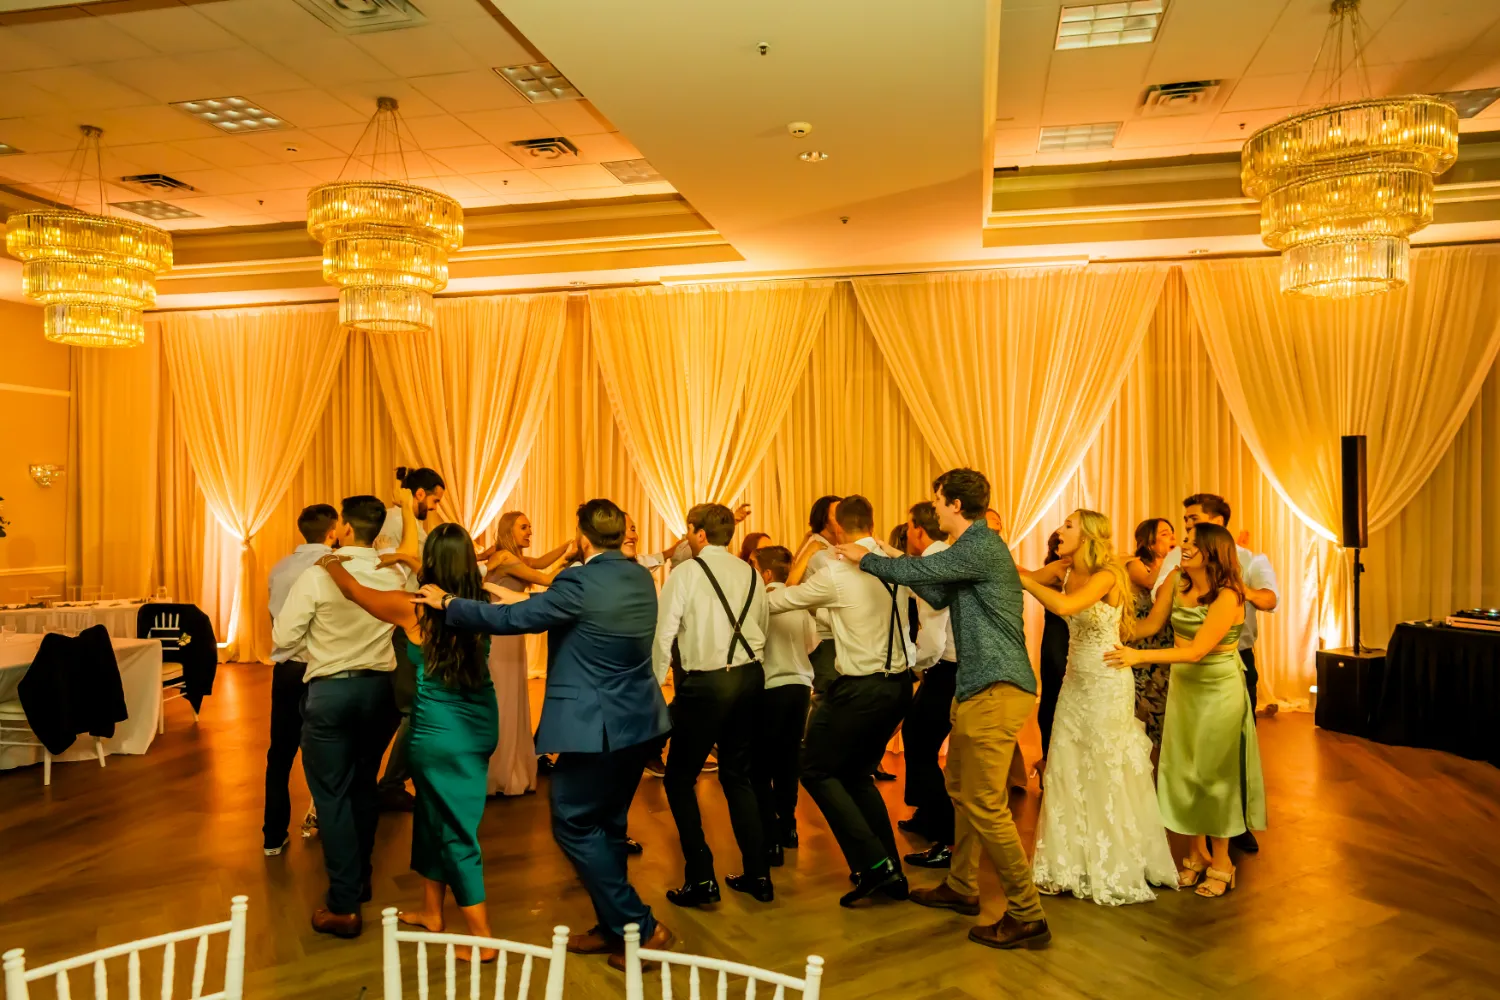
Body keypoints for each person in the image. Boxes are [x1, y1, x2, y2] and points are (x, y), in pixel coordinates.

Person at [414, 499, 674, 969]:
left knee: (572, 820)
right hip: (640, 722)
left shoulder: (579, 580)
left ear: (582, 536)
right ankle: (617, 929)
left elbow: (514, 620)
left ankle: (643, 928)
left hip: (596, 727)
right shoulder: (637, 575)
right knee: (609, 826)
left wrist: (448, 603)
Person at [840, 469, 1049, 951]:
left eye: (937, 501)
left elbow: (918, 576)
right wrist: (889, 558)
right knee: (960, 788)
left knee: (985, 803)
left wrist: (868, 557)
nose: (932, 508)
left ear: (955, 504)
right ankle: (961, 886)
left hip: (997, 687)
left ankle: (1027, 912)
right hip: (977, 686)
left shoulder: (980, 545)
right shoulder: (966, 551)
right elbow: (932, 589)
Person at [317, 515, 500, 950]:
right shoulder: (481, 603)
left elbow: (355, 592)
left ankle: (484, 939)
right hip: (478, 723)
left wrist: (330, 562)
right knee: (433, 816)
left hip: (440, 733)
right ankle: (433, 913)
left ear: (432, 564)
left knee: (454, 828)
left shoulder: (413, 607)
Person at [1021, 510, 1176, 905]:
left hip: (1108, 683)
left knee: (1106, 767)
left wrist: (1134, 650)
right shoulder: (1063, 569)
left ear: (1089, 535)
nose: (1060, 530)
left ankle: (1112, 862)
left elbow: (1066, 607)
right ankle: (1069, 862)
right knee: (1068, 765)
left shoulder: (1108, 574)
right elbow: (1019, 574)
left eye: (1069, 526)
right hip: (1074, 684)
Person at [1107, 523, 1268, 900]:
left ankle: (1223, 862)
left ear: (1214, 552)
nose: (1184, 545)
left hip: (1218, 689)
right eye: (1185, 540)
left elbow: (1197, 651)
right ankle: (1196, 854)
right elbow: (1151, 624)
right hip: (1185, 687)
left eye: (1194, 543)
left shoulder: (1228, 595)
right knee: (1185, 768)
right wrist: (1108, 632)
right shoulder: (1177, 582)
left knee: (1215, 774)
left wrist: (1138, 657)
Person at [272, 495, 407, 938]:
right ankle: (361, 879)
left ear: (344, 528)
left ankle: (345, 904)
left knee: (330, 795)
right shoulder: (396, 572)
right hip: (379, 693)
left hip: (331, 691)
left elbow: (283, 638)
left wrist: (319, 640)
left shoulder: (317, 576)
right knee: (362, 786)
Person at [771, 495, 916, 908]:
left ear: (837, 526)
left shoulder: (836, 572)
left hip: (862, 689)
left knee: (814, 769)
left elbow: (781, 601)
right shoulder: (895, 566)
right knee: (854, 775)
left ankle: (875, 865)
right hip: (898, 687)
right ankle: (889, 868)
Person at [652, 503, 773, 906]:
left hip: (707, 684)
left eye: (689, 530)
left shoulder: (686, 572)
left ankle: (702, 877)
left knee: (678, 778)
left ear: (699, 533)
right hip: (750, 677)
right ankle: (759, 875)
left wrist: (653, 688)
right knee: (739, 776)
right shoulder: (752, 572)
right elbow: (764, 628)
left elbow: (664, 634)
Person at [1150, 493, 1278, 854]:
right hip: (1184, 674)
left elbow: (1270, 600)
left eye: (1193, 521)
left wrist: (1232, 584)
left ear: (1217, 525)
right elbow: (1159, 602)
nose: (1184, 529)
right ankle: (1198, 846)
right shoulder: (1180, 562)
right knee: (1187, 761)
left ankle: (1232, 829)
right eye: (1186, 522)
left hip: (1229, 664)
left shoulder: (1250, 562)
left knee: (1224, 755)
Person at [480, 511, 575, 797]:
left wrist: (567, 547)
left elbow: (542, 563)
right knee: (504, 698)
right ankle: (500, 772)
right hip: (499, 635)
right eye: (524, 527)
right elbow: (545, 579)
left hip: (510, 633)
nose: (529, 531)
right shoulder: (507, 559)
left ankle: (510, 767)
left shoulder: (512, 557)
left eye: (530, 526)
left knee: (511, 696)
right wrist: (570, 559)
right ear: (509, 530)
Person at [263, 503, 339, 857]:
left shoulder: (279, 568)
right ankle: (327, 822)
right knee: (326, 752)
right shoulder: (335, 568)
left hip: (287, 668)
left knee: (280, 753)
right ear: (333, 530)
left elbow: (274, 617)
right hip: (322, 670)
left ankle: (273, 836)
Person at [375, 466, 446, 812]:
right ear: (419, 494)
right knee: (411, 709)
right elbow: (389, 564)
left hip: (413, 623)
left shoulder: (414, 522)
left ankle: (387, 781)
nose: (435, 506)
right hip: (401, 624)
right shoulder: (393, 519)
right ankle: (390, 783)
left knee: (399, 711)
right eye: (434, 499)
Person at [898, 501, 959, 868]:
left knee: (920, 744)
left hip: (947, 668)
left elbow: (934, 639)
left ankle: (945, 837)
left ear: (919, 530)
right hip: (953, 667)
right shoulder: (948, 558)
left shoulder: (931, 566)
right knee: (916, 736)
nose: (906, 534)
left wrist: (914, 667)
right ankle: (926, 815)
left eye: (908, 527)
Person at [748, 545, 816, 866]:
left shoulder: (760, 603)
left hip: (771, 687)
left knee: (760, 764)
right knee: (789, 760)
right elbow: (812, 643)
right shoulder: (799, 604)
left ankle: (769, 836)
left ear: (766, 574)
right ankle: (789, 826)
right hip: (801, 686)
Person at [1125, 517, 1177, 747]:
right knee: (1143, 703)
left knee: (1165, 703)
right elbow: (1148, 583)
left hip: (1166, 642)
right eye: (1165, 534)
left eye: (1172, 533)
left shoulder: (1176, 570)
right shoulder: (1136, 564)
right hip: (1142, 642)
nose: (1172, 538)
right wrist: (1174, 563)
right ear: (1149, 541)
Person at [787, 495, 842, 696]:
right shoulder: (820, 552)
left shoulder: (826, 546)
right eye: (838, 514)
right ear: (824, 520)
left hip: (830, 634)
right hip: (824, 637)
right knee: (828, 696)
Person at [1035, 531, 1070, 771]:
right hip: (1058, 640)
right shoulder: (1054, 570)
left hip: (1077, 642)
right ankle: (1049, 757)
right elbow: (1025, 577)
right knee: (1054, 696)